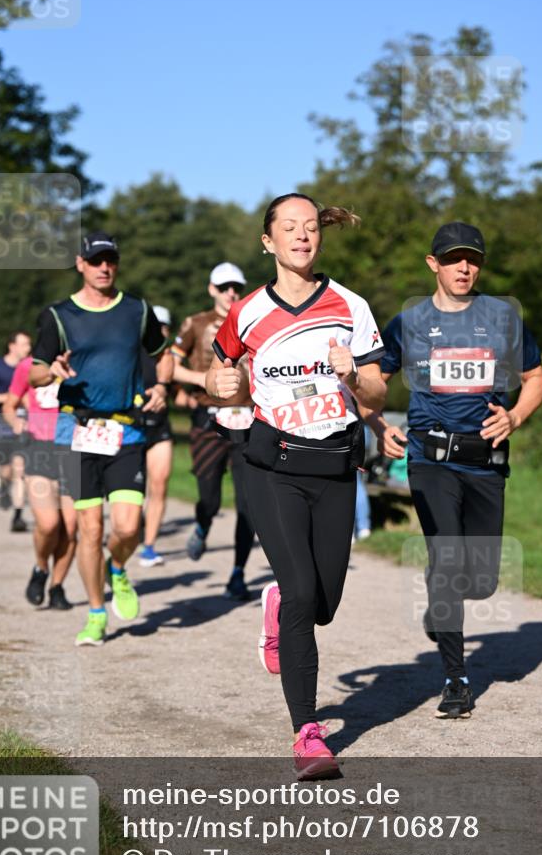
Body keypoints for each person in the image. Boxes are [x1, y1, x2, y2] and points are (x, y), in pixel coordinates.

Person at [205, 194, 387, 779]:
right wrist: (223, 382)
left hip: (335, 465)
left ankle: (280, 605)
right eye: (290, 228)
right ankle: (308, 733)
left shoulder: (350, 306)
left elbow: (379, 394)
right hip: (272, 465)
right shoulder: (249, 312)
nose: (302, 236)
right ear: (268, 241)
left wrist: (352, 373)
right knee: (305, 591)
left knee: (323, 603)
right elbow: (221, 378)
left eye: (310, 228)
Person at [372, 221, 542, 719]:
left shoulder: (502, 318)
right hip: (430, 458)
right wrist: (374, 424)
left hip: (486, 460)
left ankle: (439, 593)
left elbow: (536, 377)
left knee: (483, 582)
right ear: (434, 264)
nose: (463, 267)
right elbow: (372, 381)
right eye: (452, 259)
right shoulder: (408, 321)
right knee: (448, 561)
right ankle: (456, 679)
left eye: (471, 259)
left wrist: (514, 415)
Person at [29, 231, 170, 646]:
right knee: (88, 529)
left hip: (125, 431)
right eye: (96, 261)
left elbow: (165, 355)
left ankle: (119, 568)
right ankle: (95, 613)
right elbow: (34, 372)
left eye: (110, 260)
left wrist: (161, 387)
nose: (104, 267)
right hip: (79, 431)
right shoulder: (58, 316)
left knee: (126, 528)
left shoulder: (137, 310)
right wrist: (53, 370)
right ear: (80, 264)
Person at [171, 263, 256, 601]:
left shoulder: (254, 322)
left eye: (236, 287)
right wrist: (200, 381)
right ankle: (204, 524)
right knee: (210, 497)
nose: (230, 293)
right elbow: (169, 366)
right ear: (212, 289)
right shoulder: (196, 323)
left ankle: (238, 573)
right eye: (224, 287)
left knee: (248, 504)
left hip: (248, 420)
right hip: (209, 420)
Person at [3, 355, 77, 610]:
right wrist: (16, 422)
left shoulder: (84, 357)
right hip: (40, 447)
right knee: (48, 524)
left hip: (75, 448)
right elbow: (9, 406)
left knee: (71, 526)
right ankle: (41, 567)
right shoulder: (29, 366)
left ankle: (57, 586)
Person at [0, 331, 32, 531]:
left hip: (23, 424)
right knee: (6, 470)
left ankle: (17, 516)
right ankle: (3, 485)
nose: (28, 348)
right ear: (12, 346)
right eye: (24, 344)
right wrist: (9, 398)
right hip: (1, 424)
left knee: (20, 470)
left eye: (29, 344)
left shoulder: (31, 367)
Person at [137, 306, 175, 567]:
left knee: (159, 483)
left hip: (160, 428)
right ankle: (131, 528)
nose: (160, 330)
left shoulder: (169, 357)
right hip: (131, 427)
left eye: (164, 326)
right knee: (132, 491)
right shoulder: (132, 353)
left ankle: (149, 546)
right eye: (155, 325)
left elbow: (179, 380)